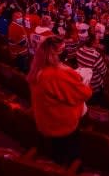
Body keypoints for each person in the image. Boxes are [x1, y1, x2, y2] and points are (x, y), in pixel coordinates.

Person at [28, 36, 92, 165]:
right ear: (54, 54)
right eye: (63, 49)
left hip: (46, 121)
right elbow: (85, 93)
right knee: (68, 156)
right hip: (61, 126)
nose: (66, 50)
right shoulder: (57, 75)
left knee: (56, 151)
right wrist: (80, 79)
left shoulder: (38, 68)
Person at [76, 35, 108, 105]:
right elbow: (104, 71)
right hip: (95, 85)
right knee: (96, 103)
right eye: (97, 40)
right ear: (93, 43)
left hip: (84, 82)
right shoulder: (96, 56)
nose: (98, 41)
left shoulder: (79, 50)